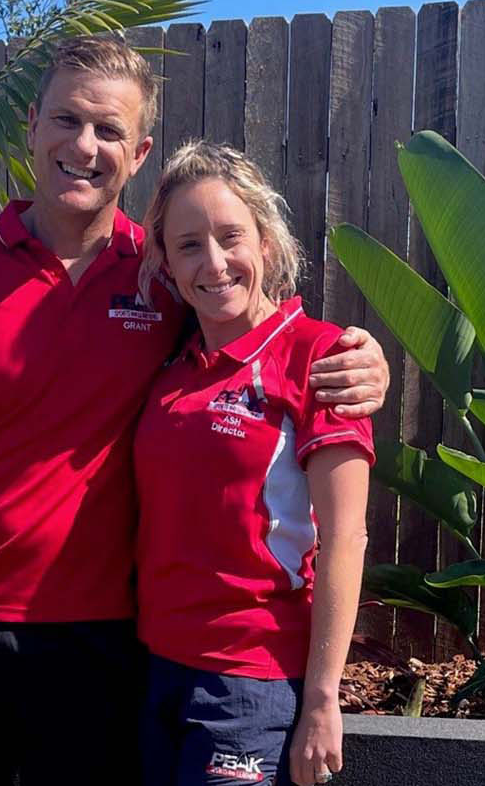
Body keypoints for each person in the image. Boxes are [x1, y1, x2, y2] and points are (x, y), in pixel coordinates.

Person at [0, 35, 389, 786]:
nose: (85, 145)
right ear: (32, 129)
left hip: (110, 641)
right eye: (68, 120)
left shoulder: (165, 274)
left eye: (109, 130)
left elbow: (257, 329)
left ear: (138, 154)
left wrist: (364, 362)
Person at [133, 142, 370, 786]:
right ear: (167, 263)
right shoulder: (171, 369)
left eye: (230, 236)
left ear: (265, 242)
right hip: (154, 668)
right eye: (188, 245)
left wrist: (324, 696)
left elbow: (346, 536)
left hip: (250, 681)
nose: (214, 263)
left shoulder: (321, 358)